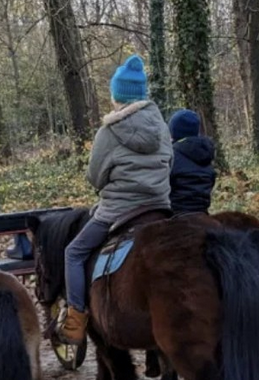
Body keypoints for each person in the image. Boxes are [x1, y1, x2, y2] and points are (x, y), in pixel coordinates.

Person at [58, 55, 174, 345]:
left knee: (73, 252)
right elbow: (169, 162)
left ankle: (76, 318)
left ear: (117, 96)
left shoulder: (109, 131)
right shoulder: (162, 126)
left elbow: (96, 178)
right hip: (159, 207)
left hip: (117, 211)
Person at [168, 109, 216, 215]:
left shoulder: (171, 155)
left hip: (176, 214)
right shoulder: (206, 152)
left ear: (173, 131)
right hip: (202, 212)